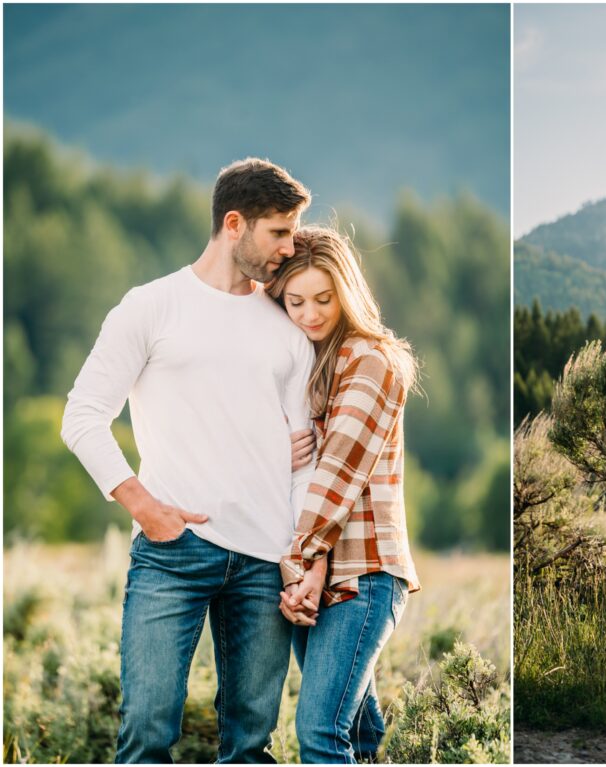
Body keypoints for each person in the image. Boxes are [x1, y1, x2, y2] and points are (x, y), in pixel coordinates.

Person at [62, 158, 315, 763]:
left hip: (263, 561)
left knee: (250, 746)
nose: (290, 246)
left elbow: (302, 459)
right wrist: (144, 507)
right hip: (172, 553)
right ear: (235, 224)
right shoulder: (150, 308)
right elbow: (82, 416)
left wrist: (299, 556)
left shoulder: (288, 326)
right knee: (147, 734)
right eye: (279, 232)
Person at [265, 226, 420, 764]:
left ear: (347, 292)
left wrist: (301, 559)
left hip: (364, 572)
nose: (310, 313)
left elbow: (338, 469)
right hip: (320, 574)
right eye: (296, 300)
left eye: (324, 299)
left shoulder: (371, 359)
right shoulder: (311, 366)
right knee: (361, 734)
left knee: (319, 734)